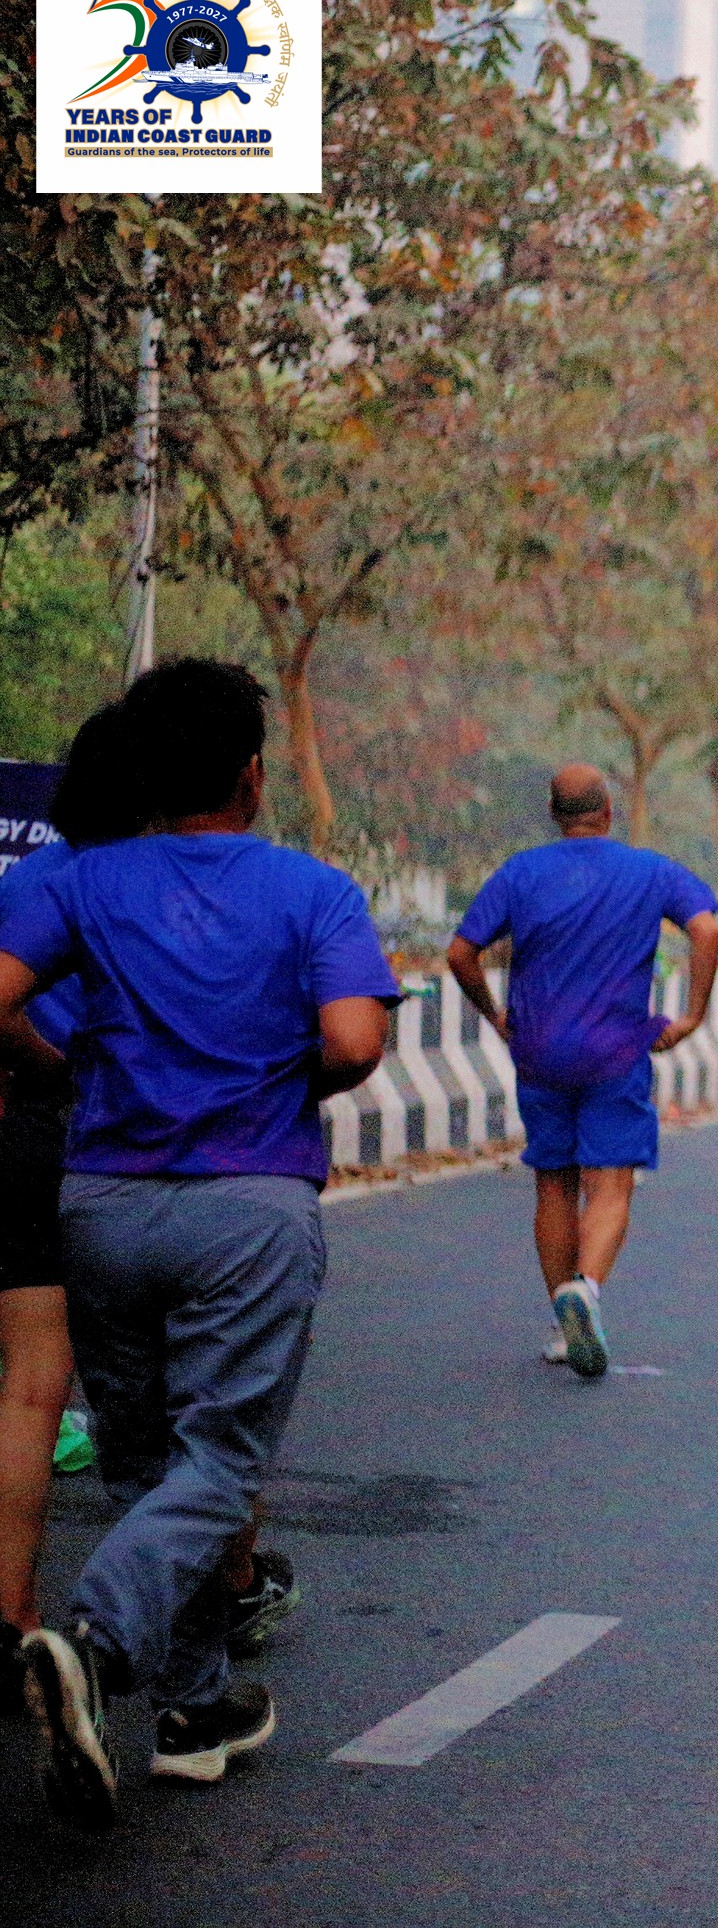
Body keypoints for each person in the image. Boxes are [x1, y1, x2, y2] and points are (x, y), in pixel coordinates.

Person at [0, 660, 398, 1827]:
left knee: (141, 1462)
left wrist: (61, 1066)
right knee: (217, 1461)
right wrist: (283, 1083)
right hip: (248, 1205)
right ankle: (93, 1645)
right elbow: (356, 1040)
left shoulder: (85, 878)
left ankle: (192, 1710)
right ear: (252, 774)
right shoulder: (312, 890)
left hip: (104, 1203)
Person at [445, 766, 718, 1379]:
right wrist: (693, 1015)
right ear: (609, 812)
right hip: (615, 1053)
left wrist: (494, 1014)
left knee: (553, 1183)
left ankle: (559, 1325)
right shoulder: (649, 871)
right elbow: (706, 928)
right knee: (611, 1182)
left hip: (539, 1051)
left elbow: (461, 953)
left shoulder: (520, 873)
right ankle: (586, 1291)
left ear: (554, 813)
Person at [1, 711, 137, 1663]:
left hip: (33, 1133)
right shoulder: (160, 887)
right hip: (142, 1145)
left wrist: (41, 1067)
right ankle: (216, 1594)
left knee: (31, 1386)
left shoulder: (28, 881)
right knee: (185, 1387)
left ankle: (11, 1614)